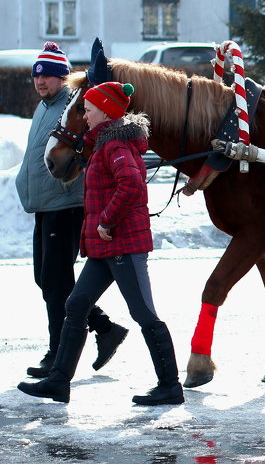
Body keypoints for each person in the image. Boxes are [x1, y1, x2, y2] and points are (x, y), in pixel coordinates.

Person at [18, 81, 184, 406]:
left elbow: (132, 185)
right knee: (76, 305)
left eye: (89, 109)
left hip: (123, 245)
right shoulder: (102, 142)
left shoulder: (115, 146)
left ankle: (170, 386)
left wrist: (106, 220)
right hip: (103, 248)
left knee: (144, 314)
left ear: (105, 111)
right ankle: (58, 382)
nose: (86, 115)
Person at [16, 42, 127, 380]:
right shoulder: (44, 106)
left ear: (62, 77)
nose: (41, 82)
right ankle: (105, 328)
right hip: (45, 205)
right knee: (46, 278)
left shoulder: (70, 103)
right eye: (38, 76)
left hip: (66, 203)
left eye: (48, 76)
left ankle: (57, 354)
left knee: (54, 281)